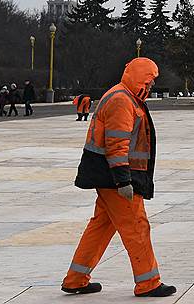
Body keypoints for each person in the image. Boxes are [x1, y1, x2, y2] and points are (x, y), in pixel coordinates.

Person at [61, 57, 176, 297]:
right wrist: (123, 180)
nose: (152, 85)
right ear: (140, 77)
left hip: (108, 176)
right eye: (150, 80)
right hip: (115, 178)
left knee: (102, 226)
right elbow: (117, 144)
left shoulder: (125, 97)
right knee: (137, 227)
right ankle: (148, 283)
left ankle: (76, 279)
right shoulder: (122, 100)